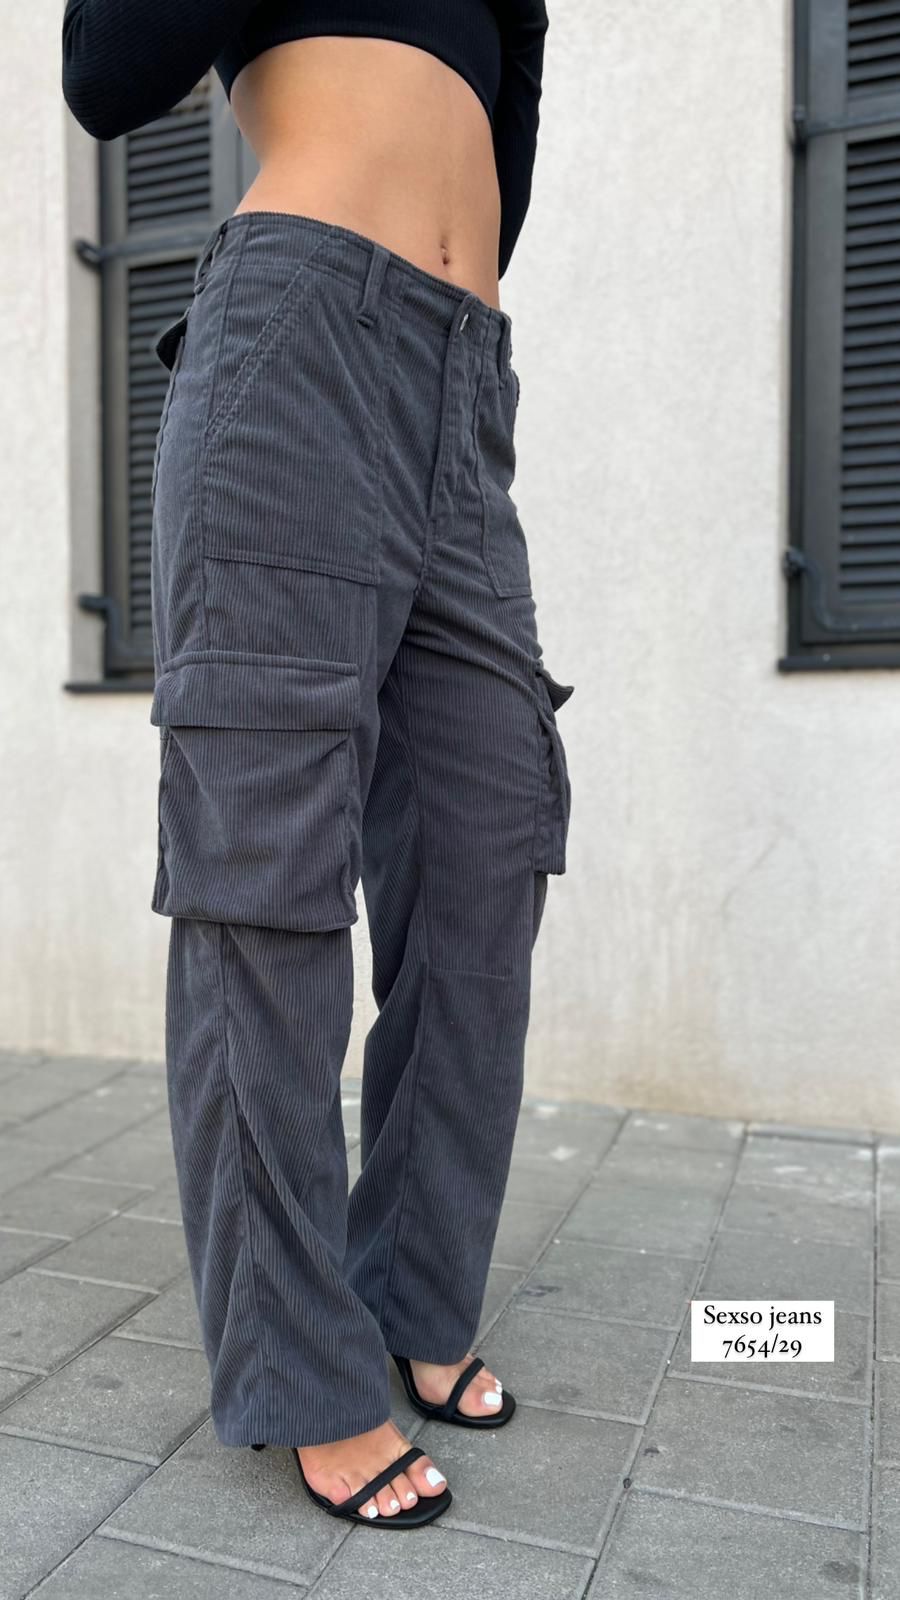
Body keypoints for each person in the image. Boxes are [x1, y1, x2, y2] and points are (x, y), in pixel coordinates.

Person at [62, 0, 574, 1531]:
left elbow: (502, 145)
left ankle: (413, 1286)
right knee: (266, 876)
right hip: (300, 346)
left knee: (489, 852)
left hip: (464, 384)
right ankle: (301, 1370)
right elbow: (107, 73)